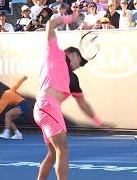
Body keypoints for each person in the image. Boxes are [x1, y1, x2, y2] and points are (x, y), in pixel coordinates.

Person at [33, 15, 111, 180]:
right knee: (63, 149)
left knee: (54, 152)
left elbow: (82, 104)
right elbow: (50, 24)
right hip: (46, 106)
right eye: (79, 62)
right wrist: (71, 18)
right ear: (73, 55)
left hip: (47, 109)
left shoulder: (73, 79)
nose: (78, 66)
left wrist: (99, 122)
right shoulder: (54, 52)